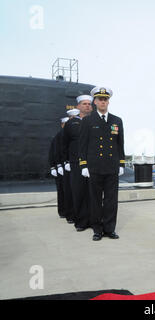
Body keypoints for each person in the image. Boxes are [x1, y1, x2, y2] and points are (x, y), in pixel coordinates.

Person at [79, 87, 125, 241]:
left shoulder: (116, 120)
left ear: (108, 102)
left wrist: (121, 164)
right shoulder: (87, 121)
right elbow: (82, 145)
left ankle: (110, 229)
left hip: (111, 167)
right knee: (96, 200)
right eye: (100, 99)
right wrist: (83, 165)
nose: (103, 102)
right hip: (95, 167)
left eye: (105, 99)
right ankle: (97, 230)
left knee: (111, 200)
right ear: (95, 102)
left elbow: (120, 144)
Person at [63, 95, 93, 231]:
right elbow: (64, 144)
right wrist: (66, 161)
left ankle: (94, 220)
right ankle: (81, 221)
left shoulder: (95, 121)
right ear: (78, 106)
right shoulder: (71, 123)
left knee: (93, 194)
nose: (87, 106)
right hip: (76, 163)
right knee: (79, 192)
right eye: (84, 104)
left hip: (92, 163)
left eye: (89, 104)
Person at [49, 117, 69, 218]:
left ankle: (69, 211)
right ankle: (63, 212)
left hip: (68, 167)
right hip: (60, 168)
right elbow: (54, 153)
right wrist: (54, 166)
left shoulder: (69, 136)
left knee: (68, 191)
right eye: (65, 124)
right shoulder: (58, 136)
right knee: (62, 191)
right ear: (62, 125)